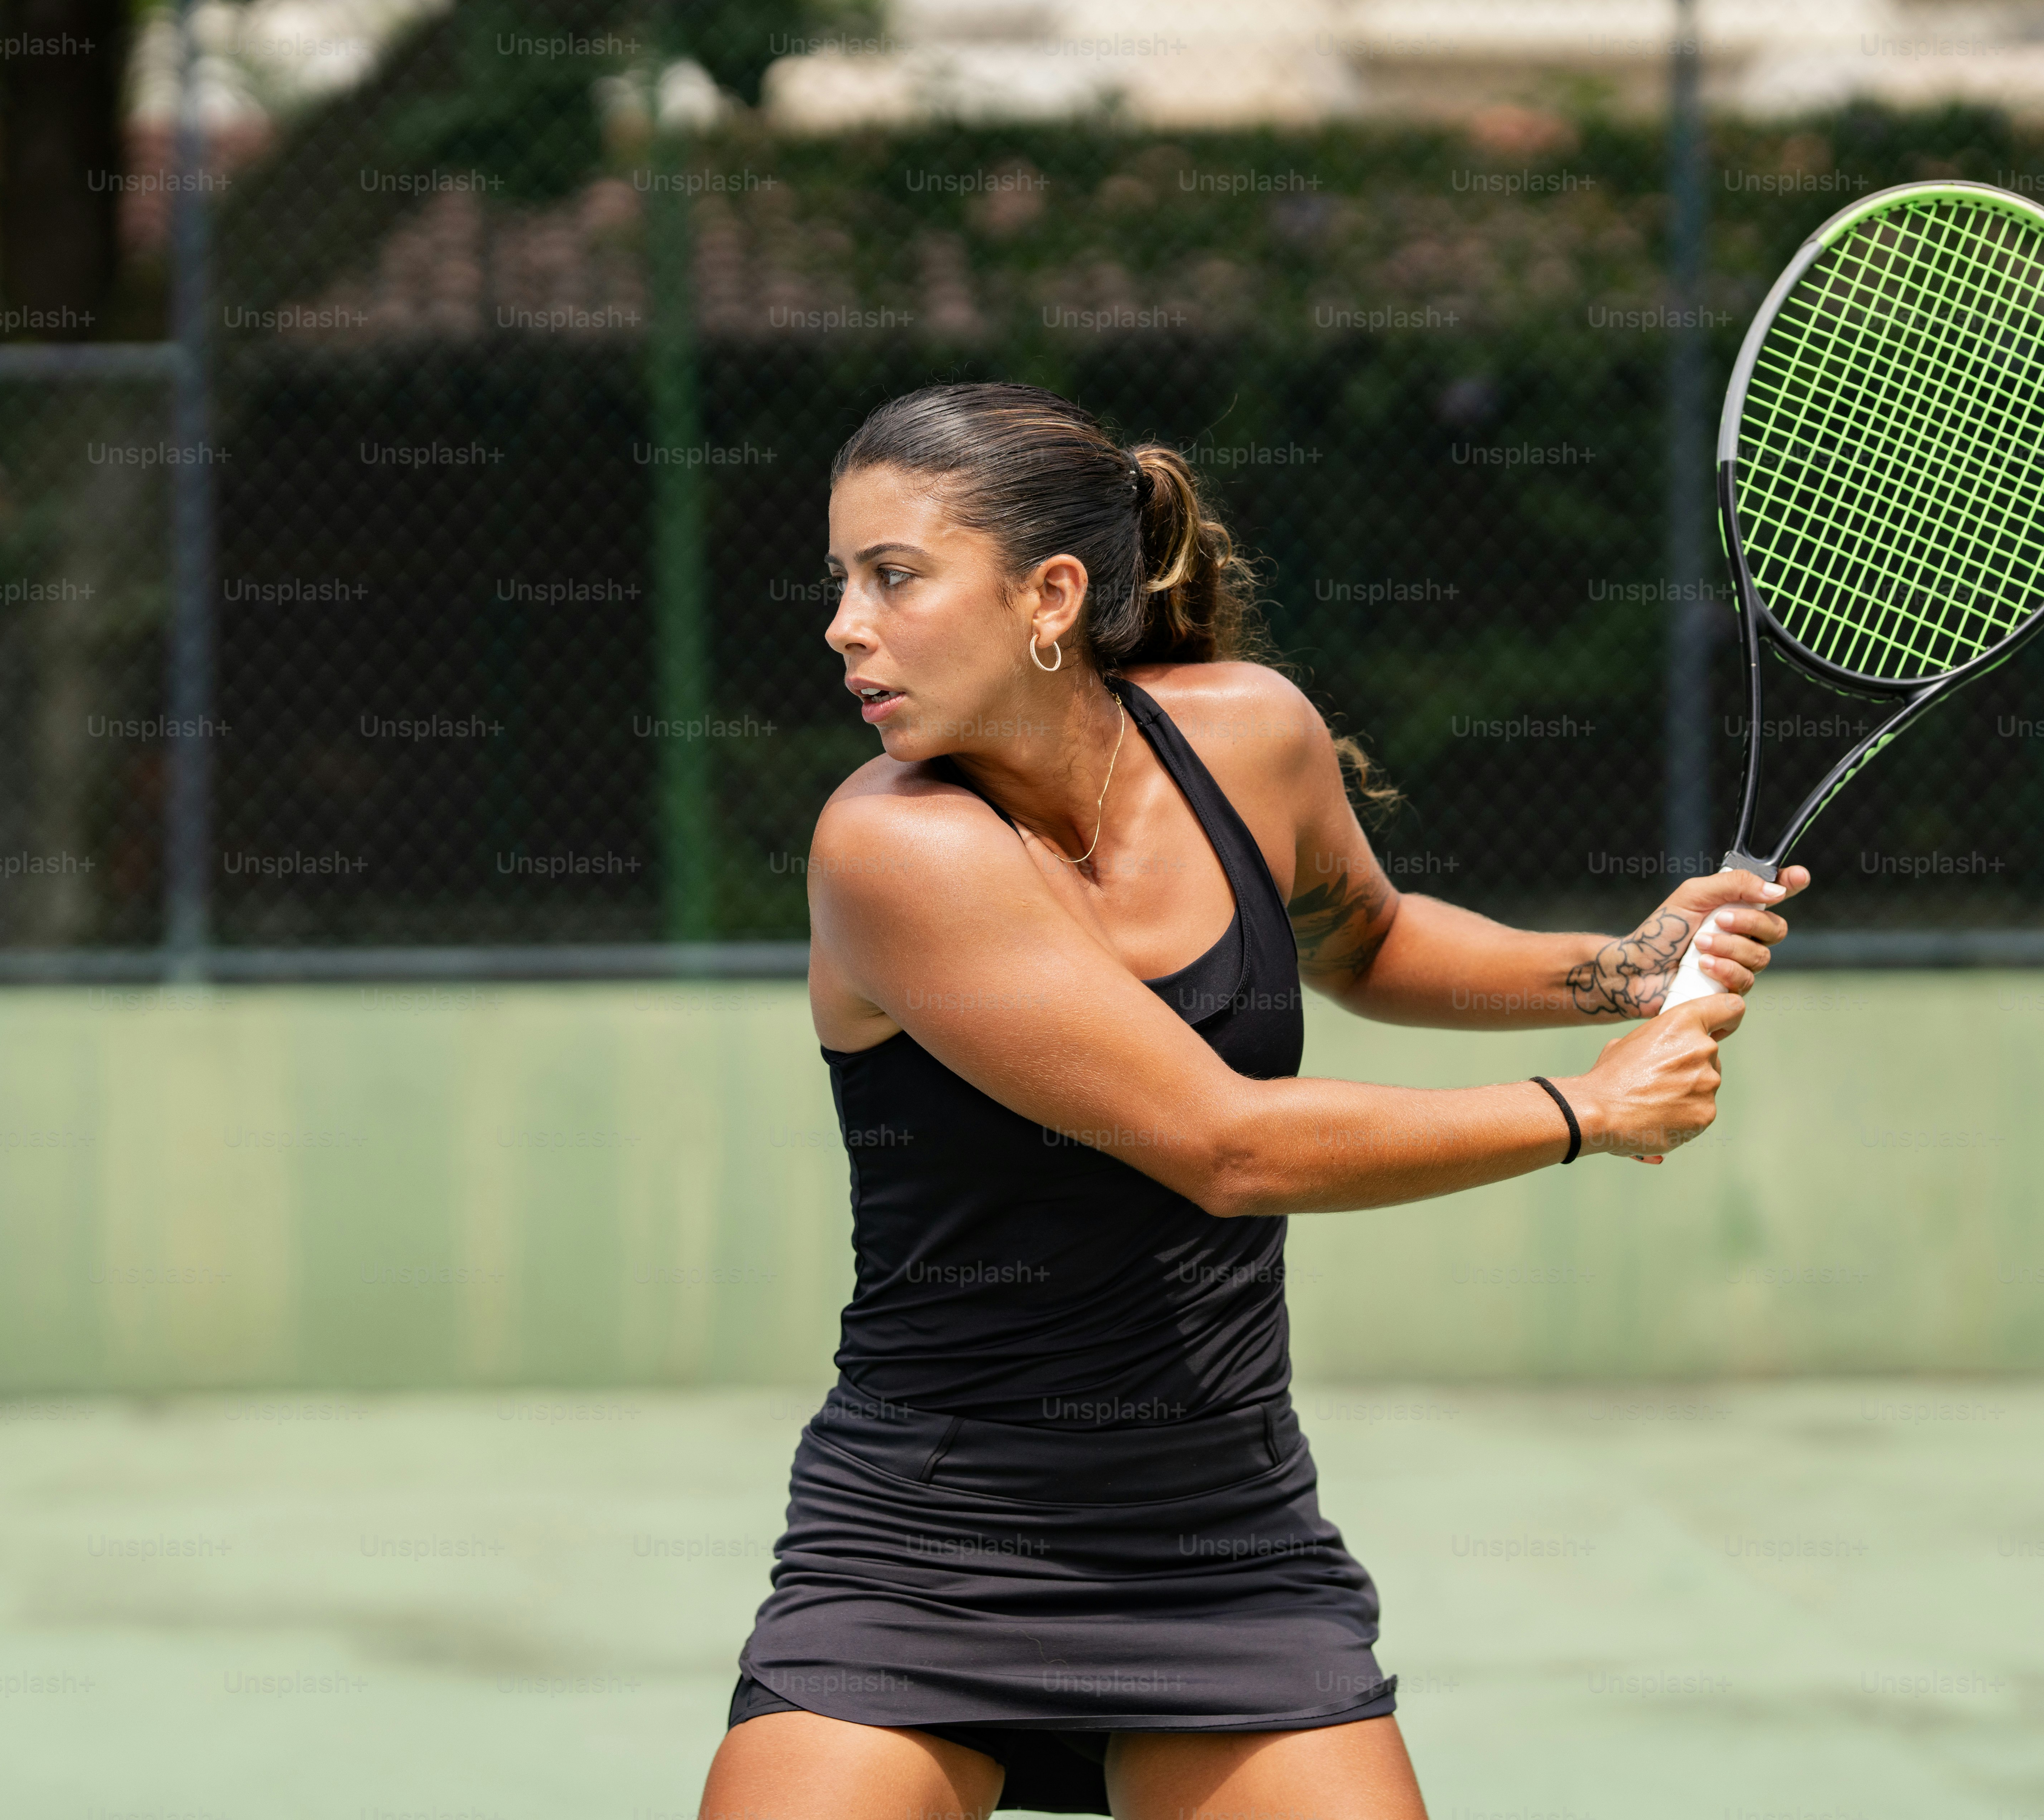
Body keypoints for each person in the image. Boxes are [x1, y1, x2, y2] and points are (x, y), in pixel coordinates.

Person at [701, 382, 1807, 1819]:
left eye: (893, 577)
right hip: (927, 1538)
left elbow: (1369, 937)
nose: (845, 621)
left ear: (1049, 594)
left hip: (1216, 1534)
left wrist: (1622, 970)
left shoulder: (1248, 735)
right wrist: (1581, 1108)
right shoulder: (889, 846)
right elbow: (1223, 1144)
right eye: (842, 580)